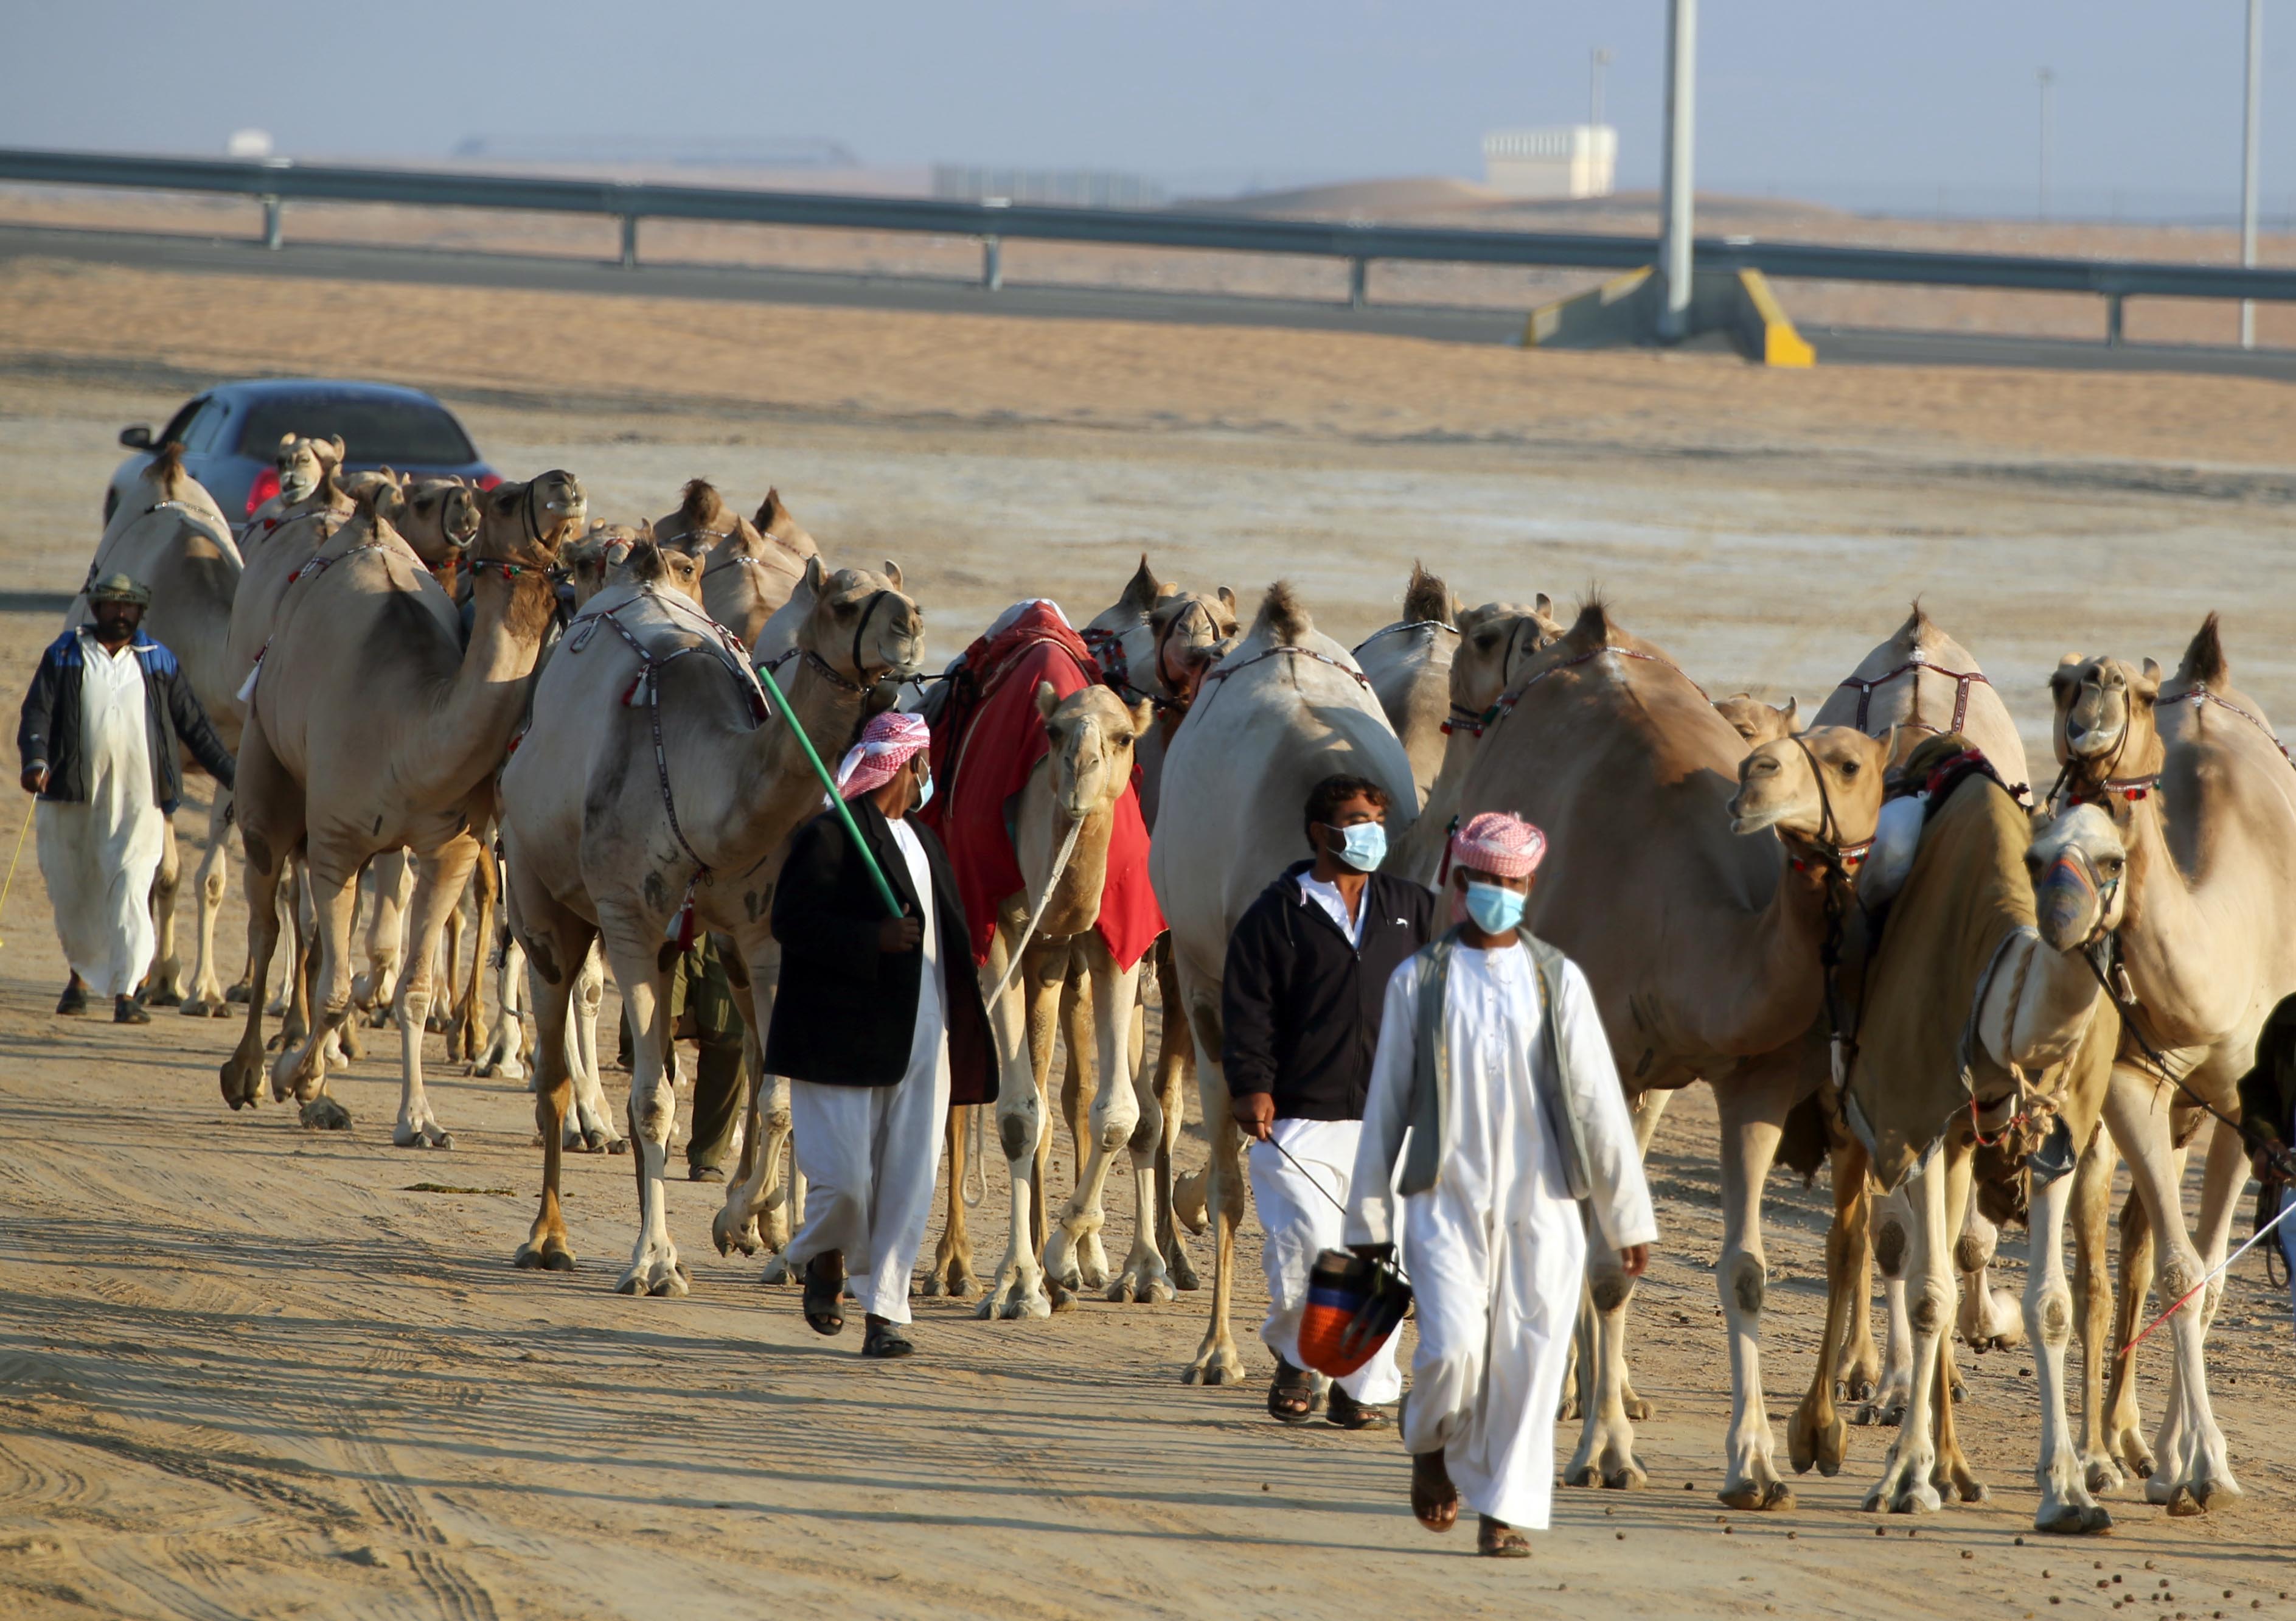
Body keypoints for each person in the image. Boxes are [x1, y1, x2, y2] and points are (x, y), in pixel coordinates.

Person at [1345, 810, 1657, 1559]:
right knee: (1452, 1347)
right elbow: (1386, 1101)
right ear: (1457, 886)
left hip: (1544, 1198)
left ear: (1530, 888)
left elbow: (1598, 1104)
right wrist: (1367, 1223)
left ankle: (1503, 1511)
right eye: (1484, 882)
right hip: (1442, 1197)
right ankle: (1429, 1448)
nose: (1497, 894)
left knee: (1534, 1353)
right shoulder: (1418, 979)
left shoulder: (1559, 980)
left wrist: (1628, 1217)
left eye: (1512, 883)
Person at [767, 710, 995, 1359]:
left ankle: (886, 1311)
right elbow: (792, 922)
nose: (930, 779)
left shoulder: (927, 844)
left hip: (924, 1034)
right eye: (926, 767)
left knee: (908, 1177)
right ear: (909, 765)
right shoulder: (831, 834)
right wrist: (873, 939)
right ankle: (826, 1258)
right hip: (841, 1037)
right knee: (844, 1182)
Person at [1222, 773, 1436, 1428]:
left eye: (1376, 819)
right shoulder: (1275, 915)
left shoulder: (1412, 906)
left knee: (1380, 1263)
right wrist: (1251, 1083)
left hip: (1390, 1118)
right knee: (1306, 1245)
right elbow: (1248, 1008)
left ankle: (1361, 1390)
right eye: (1355, 819)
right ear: (1321, 831)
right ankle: (1297, 1358)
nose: (1370, 832)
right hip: (1296, 1117)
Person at [16, 572, 235, 1023]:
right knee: (77, 887)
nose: (120, 614)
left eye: (128, 607)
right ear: (95, 609)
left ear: (140, 611)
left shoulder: (159, 663)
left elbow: (194, 725)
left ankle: (126, 992)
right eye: (112, 606)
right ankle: (78, 978)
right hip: (74, 799)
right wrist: (36, 760)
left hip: (141, 801)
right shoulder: (65, 655)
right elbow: (37, 710)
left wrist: (234, 776)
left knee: (133, 886)